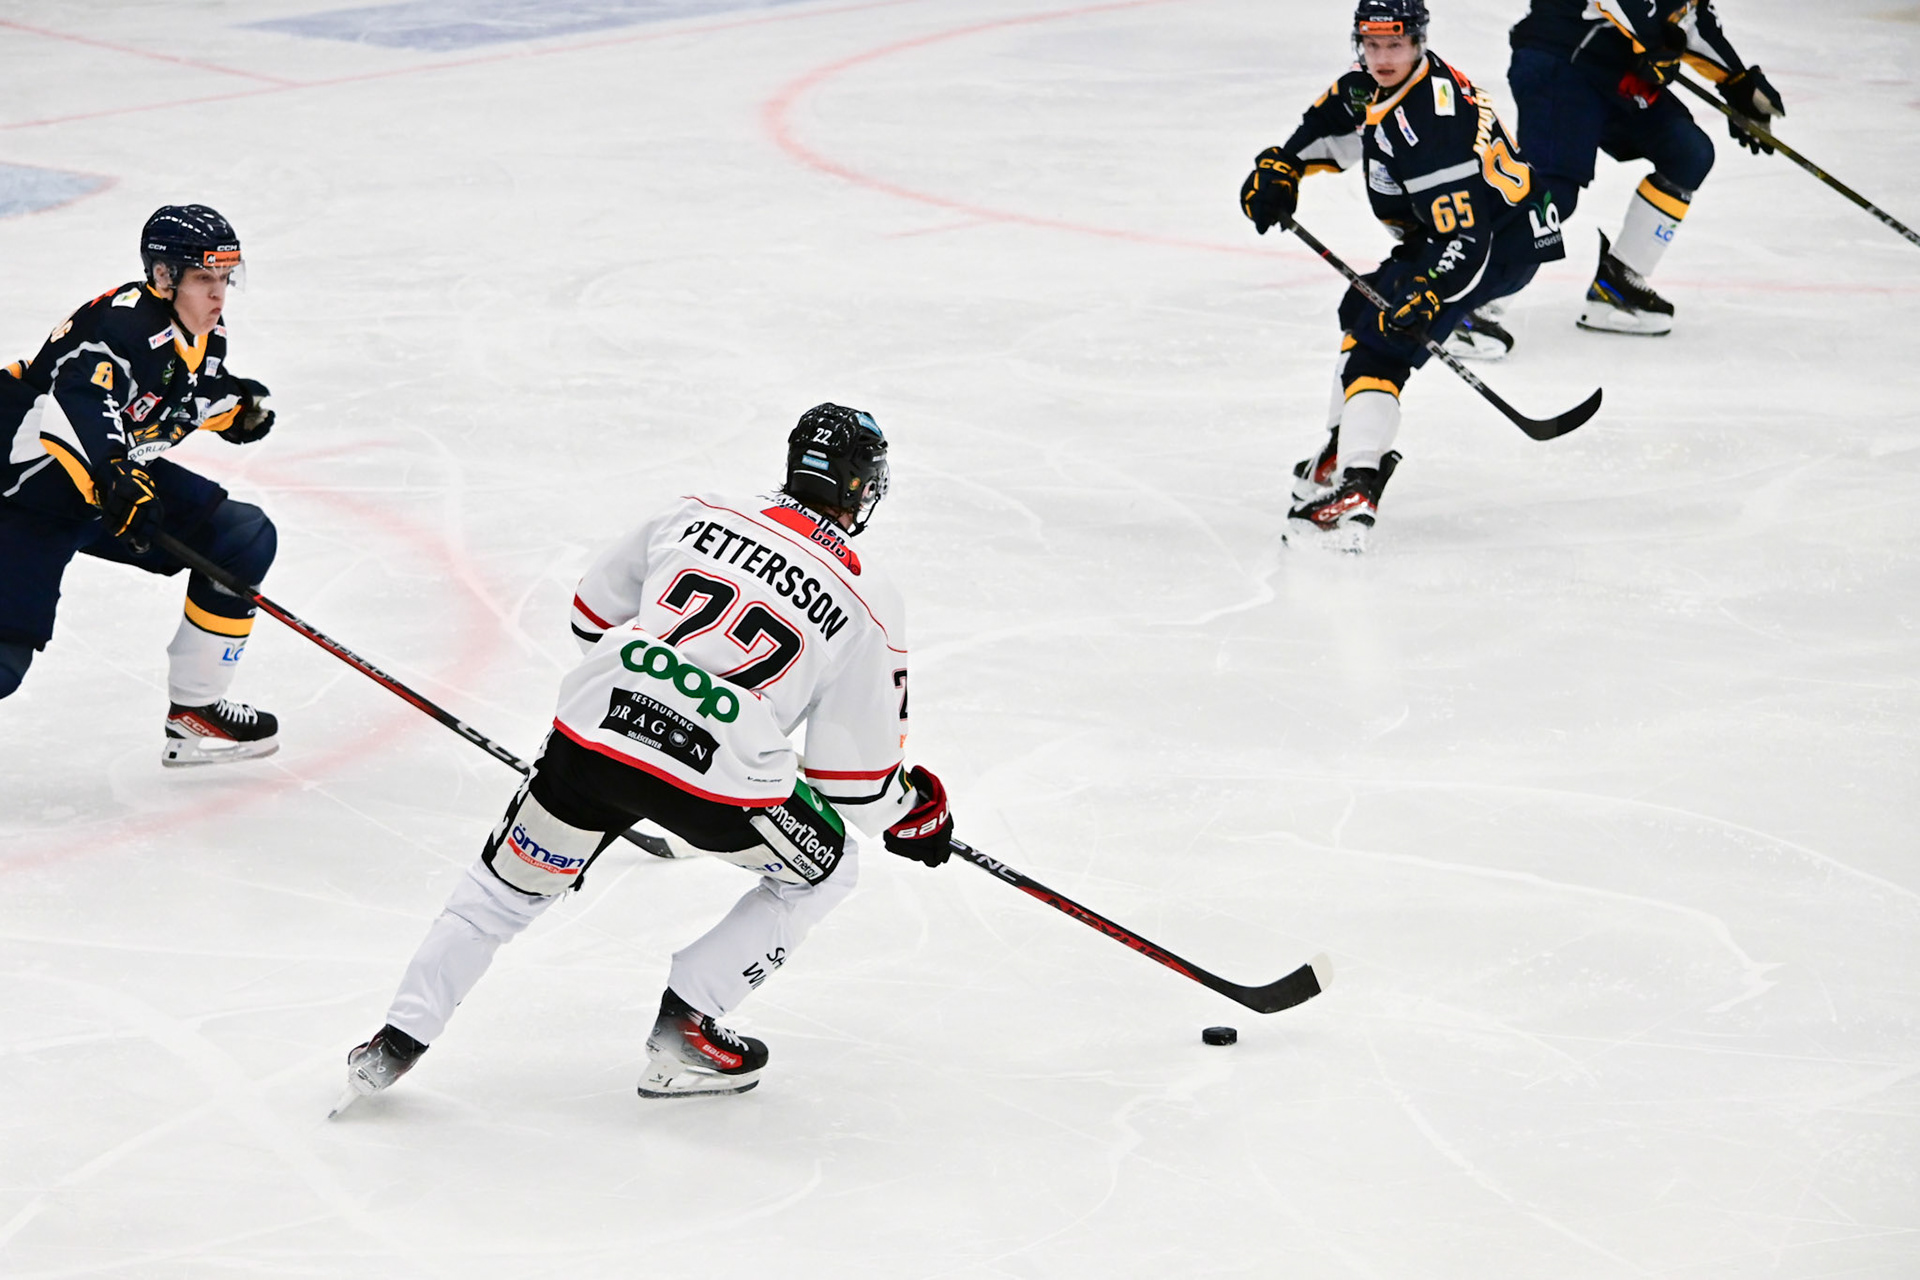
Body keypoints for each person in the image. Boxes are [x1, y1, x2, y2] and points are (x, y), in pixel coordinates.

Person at [339, 405, 956, 1103]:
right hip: (719, 785)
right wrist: (916, 815)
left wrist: (653, 695)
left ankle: (394, 1044)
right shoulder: (868, 598)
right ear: (861, 486)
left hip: (592, 742)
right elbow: (853, 782)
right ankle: (688, 1027)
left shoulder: (699, 511)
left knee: (497, 897)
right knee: (828, 868)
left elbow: (590, 616)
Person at [1239, 0, 1564, 551]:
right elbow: (1331, 122)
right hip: (1466, 231)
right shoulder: (1375, 85)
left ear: (1417, 42)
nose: (1383, 57)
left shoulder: (1431, 129)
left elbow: (1468, 238)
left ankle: (1358, 484)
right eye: (1372, 44)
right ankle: (1346, 442)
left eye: (1395, 45)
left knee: (1382, 345)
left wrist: (1429, 291)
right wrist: (1283, 167)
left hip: (1497, 245)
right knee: (1361, 308)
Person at [0, 204, 281, 764]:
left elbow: (181, 393)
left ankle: (196, 710)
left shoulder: (203, 333)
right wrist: (116, 474)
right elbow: (79, 402)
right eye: (203, 278)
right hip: (22, 496)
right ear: (163, 276)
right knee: (3, 666)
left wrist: (237, 410)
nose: (218, 294)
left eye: (226, 278)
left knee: (240, 538)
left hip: (99, 494)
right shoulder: (120, 327)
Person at [1507, 0, 1784, 335]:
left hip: (1616, 69)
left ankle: (1617, 284)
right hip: (1561, 57)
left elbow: (1691, 16)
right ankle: (1471, 298)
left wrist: (1736, 82)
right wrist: (1652, 40)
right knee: (1554, 195)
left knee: (1688, 153)